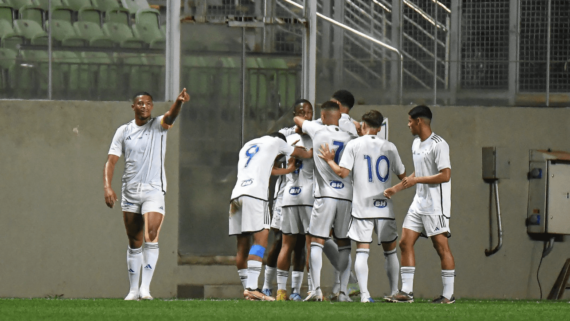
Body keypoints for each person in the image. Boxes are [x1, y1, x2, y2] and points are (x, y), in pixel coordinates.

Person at [104, 89, 190, 300]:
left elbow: (171, 116)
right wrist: (107, 186)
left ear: (152, 107)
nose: (144, 106)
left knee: (152, 233)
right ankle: (133, 290)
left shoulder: (158, 125)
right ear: (133, 106)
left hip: (154, 190)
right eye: (140, 103)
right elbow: (111, 161)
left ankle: (145, 289)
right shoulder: (123, 131)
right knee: (135, 240)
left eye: (148, 103)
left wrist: (179, 102)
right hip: (130, 191)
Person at [318, 110, 406, 303]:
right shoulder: (390, 147)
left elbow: (342, 173)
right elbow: (403, 175)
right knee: (390, 251)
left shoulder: (354, 144)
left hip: (362, 208)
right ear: (380, 127)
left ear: (363, 126)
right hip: (384, 207)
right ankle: (394, 291)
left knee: (362, 251)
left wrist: (330, 160)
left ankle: (365, 295)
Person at [230, 132, 312, 301]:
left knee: (242, 246)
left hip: (236, 196)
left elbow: (269, 169)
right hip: (255, 195)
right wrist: (313, 152)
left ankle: (248, 290)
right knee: (260, 240)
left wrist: (288, 170)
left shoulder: (249, 145)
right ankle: (252, 288)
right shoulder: (277, 142)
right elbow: (301, 153)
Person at [385, 105, 455, 304]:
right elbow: (419, 171)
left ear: (419, 122)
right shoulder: (416, 144)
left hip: (436, 205)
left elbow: (445, 175)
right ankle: (406, 293)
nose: (408, 125)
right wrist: (397, 188)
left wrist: (417, 181)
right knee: (405, 242)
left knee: (441, 247)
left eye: (409, 121)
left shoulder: (439, 144)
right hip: (419, 202)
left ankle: (448, 295)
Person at [293, 101, 357, 302]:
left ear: (322, 115)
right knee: (344, 243)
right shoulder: (350, 138)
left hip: (326, 195)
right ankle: (344, 292)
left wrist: (304, 122)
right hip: (346, 195)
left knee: (316, 240)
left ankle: (316, 289)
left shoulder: (318, 130)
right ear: (338, 116)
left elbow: (298, 119)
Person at [274, 99, 315, 301]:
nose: (307, 116)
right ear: (296, 115)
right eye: (303, 112)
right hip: (307, 196)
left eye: (310, 112)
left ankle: (288, 291)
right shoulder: (317, 138)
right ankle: (309, 290)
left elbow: (273, 164)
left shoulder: (285, 140)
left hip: (290, 194)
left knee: (289, 244)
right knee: (308, 244)